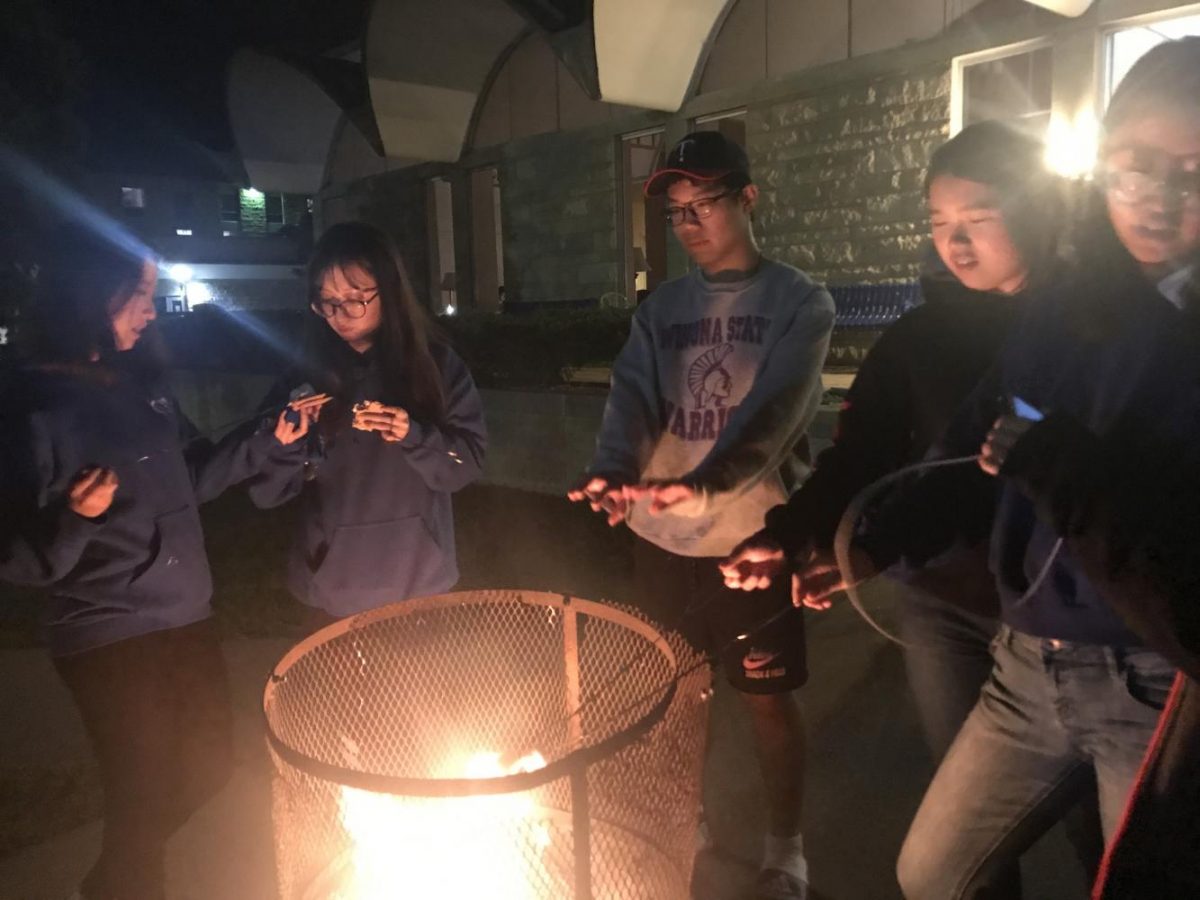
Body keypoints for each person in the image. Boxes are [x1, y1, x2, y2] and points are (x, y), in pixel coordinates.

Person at [872, 39, 1200, 899]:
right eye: (1134, 166)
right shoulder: (1065, 304)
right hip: (1028, 667)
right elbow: (977, 435)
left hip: (1154, 686)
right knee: (933, 872)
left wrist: (1066, 469)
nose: (1158, 200)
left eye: (1192, 173)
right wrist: (889, 528)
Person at [719, 120, 1064, 762]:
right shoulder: (920, 335)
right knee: (963, 813)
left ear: (1038, 208)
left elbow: (983, 482)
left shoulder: (1080, 328)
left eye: (977, 218)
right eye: (939, 221)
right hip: (942, 602)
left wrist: (872, 548)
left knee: (1088, 825)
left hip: (1059, 610)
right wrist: (789, 534)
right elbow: (861, 453)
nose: (954, 242)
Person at [0, 226, 318, 900]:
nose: (150, 309)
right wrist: (73, 521)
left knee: (211, 768)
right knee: (140, 799)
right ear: (89, 292)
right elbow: (17, 553)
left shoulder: (142, 388)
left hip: (186, 613)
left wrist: (266, 437)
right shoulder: (31, 406)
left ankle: (114, 877)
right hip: (107, 632)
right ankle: (127, 882)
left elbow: (189, 476)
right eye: (138, 294)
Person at [569, 131, 835, 900]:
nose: (688, 224)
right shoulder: (664, 309)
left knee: (766, 697)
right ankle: (686, 819)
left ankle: (786, 846)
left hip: (753, 539)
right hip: (662, 542)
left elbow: (779, 409)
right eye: (677, 211)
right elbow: (633, 396)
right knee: (676, 699)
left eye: (704, 204)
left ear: (748, 199)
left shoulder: (798, 302)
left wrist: (713, 482)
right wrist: (615, 474)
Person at [249, 221, 486, 627]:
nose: (339, 314)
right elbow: (266, 493)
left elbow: (464, 465)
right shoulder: (302, 383)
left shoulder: (436, 369)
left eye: (355, 299)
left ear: (389, 292)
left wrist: (412, 434)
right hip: (330, 593)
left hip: (420, 589)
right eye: (327, 301)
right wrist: (286, 444)